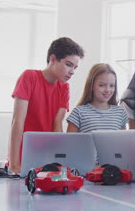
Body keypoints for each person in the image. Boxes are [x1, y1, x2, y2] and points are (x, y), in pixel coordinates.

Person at [8, 37, 84, 174]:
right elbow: (17, 121)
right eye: (68, 64)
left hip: (47, 160)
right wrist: (14, 165)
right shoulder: (29, 77)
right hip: (23, 159)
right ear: (53, 59)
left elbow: (57, 125)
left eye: (75, 67)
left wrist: (60, 162)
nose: (72, 71)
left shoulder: (64, 88)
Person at [67, 63, 127, 133]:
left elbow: (123, 142)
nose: (107, 90)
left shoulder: (120, 112)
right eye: (102, 85)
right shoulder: (79, 113)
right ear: (91, 85)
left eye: (112, 85)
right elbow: (69, 142)